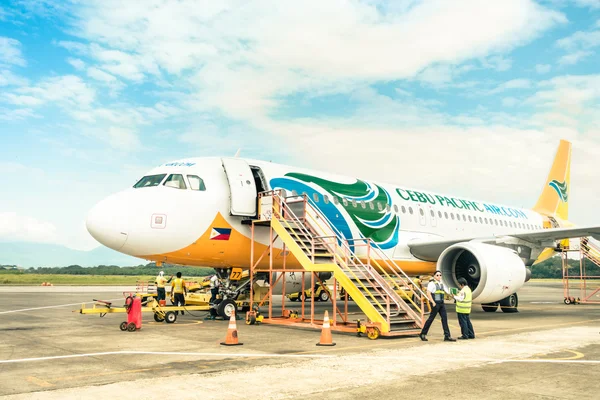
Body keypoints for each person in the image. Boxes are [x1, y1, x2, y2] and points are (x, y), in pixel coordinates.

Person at [419, 270, 456, 342]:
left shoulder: (441, 284)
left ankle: (447, 335)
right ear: (434, 276)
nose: (439, 277)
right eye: (437, 275)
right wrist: (432, 302)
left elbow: (445, 292)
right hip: (435, 303)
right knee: (431, 318)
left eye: (440, 275)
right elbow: (428, 293)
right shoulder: (432, 284)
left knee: (444, 318)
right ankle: (423, 333)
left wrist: (452, 295)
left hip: (441, 303)